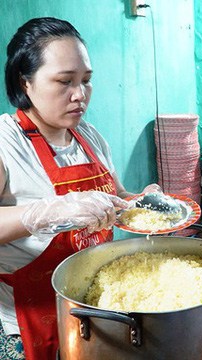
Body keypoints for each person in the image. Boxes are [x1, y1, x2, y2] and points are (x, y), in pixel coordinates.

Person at [0, 17, 159, 359]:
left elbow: (117, 197)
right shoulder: (5, 142)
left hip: (93, 306)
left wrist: (144, 203)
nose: (79, 95)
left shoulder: (89, 136)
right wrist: (46, 212)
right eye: (64, 81)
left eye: (86, 81)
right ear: (24, 82)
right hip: (26, 318)